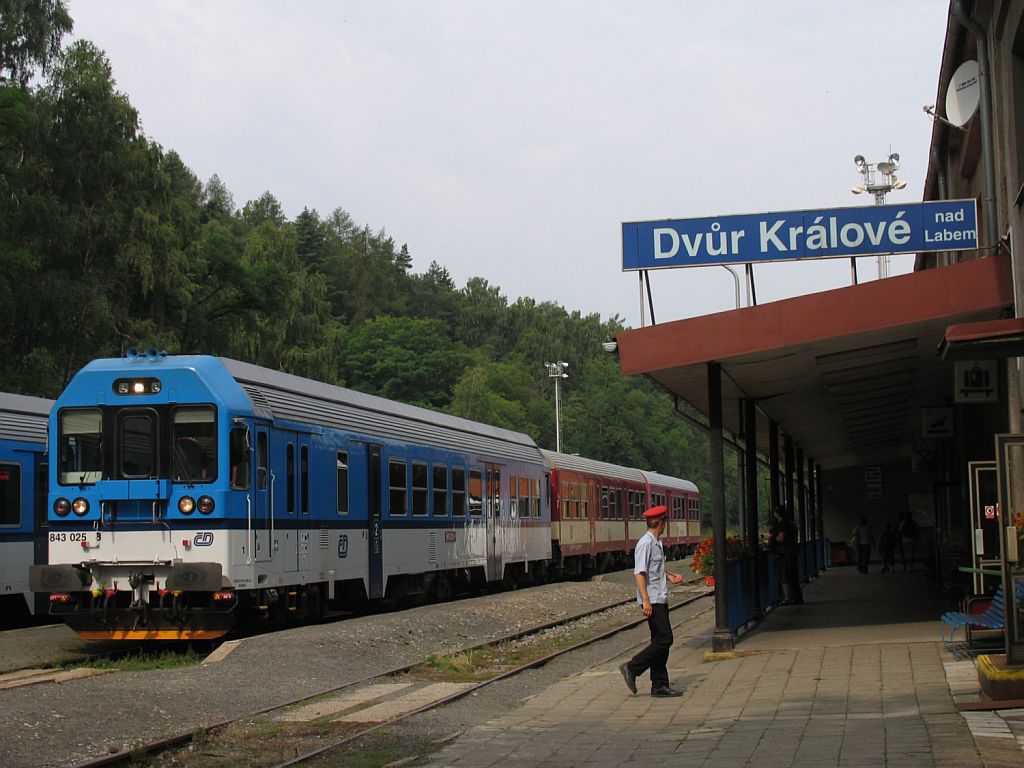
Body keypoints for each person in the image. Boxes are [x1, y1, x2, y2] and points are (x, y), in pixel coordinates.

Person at [619, 505, 685, 698]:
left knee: (659, 641)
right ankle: (632, 667)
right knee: (665, 639)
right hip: (653, 599)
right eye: (665, 523)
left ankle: (659, 684)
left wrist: (670, 576)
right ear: (661, 523)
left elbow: (654, 569)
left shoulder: (656, 543)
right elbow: (639, 573)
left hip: (659, 596)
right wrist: (646, 600)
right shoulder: (646, 543)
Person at [771, 505, 804, 604]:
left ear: (777, 514)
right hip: (794, 550)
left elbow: (781, 537)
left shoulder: (782, 524)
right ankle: (797, 598)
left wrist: (773, 539)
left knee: (787, 575)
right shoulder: (790, 523)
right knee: (793, 575)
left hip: (787, 552)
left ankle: (789, 598)